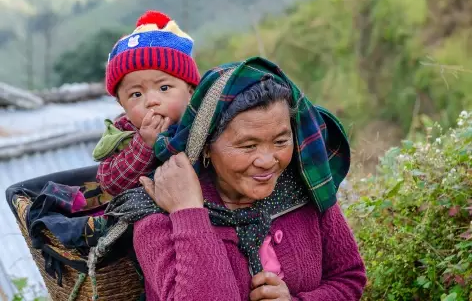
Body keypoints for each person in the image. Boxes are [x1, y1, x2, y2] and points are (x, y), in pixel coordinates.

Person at [130, 57, 367, 300]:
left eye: (281, 141)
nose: (267, 160)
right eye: (248, 145)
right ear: (207, 146)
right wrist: (188, 211)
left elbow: (348, 277)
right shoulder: (157, 214)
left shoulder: (304, 190)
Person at [93, 10, 200, 196]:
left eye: (164, 88)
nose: (151, 101)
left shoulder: (205, 121)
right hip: (145, 211)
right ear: (121, 104)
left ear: (190, 91)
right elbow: (109, 183)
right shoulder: (123, 132)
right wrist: (144, 144)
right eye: (136, 94)